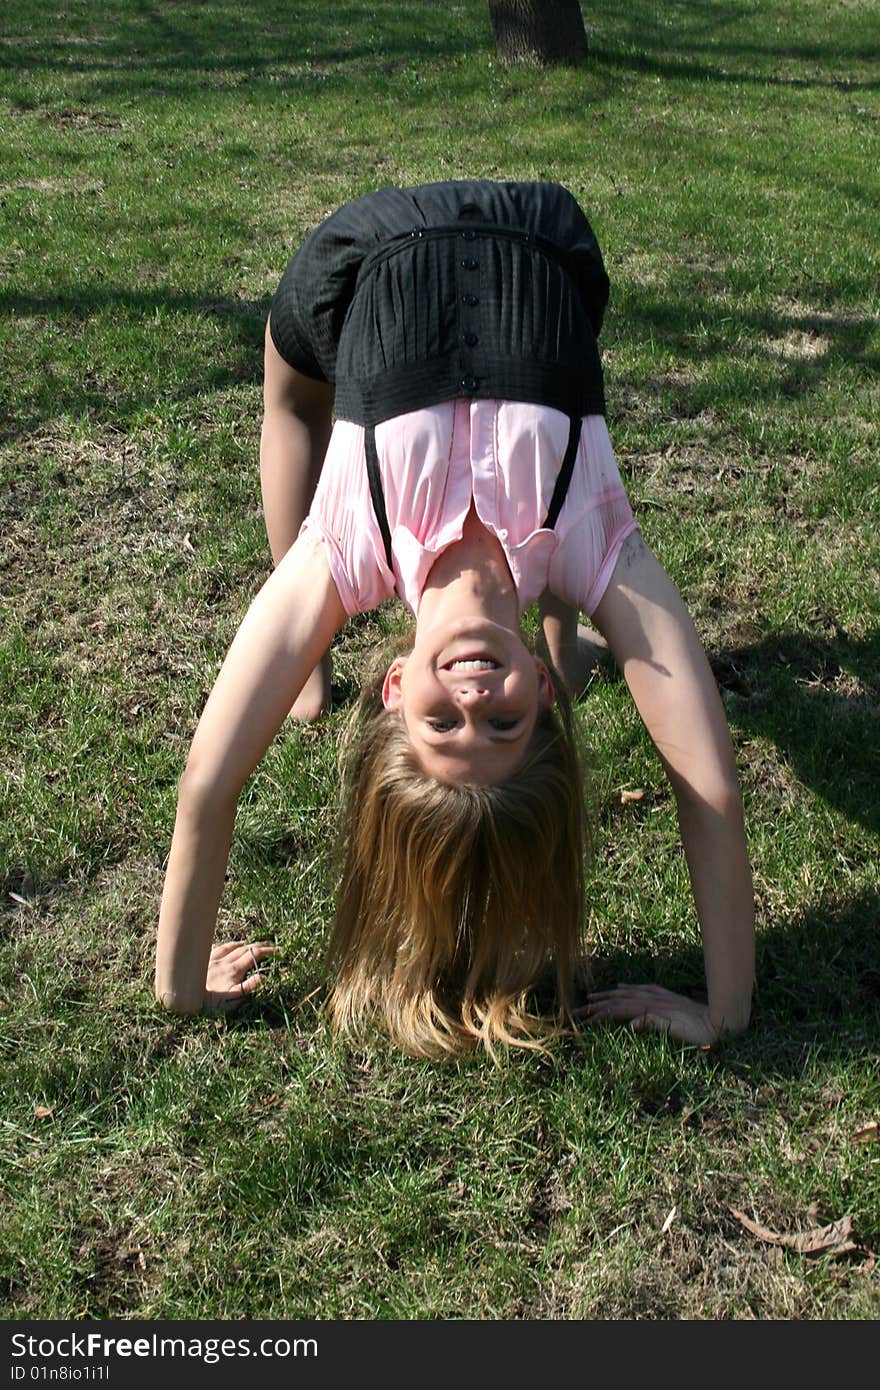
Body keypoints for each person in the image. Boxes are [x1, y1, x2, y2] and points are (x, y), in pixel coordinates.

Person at [155, 180, 754, 1057]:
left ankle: (307, 672)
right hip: (545, 244)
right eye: (503, 720)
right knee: (558, 580)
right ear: (537, 693)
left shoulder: (346, 549)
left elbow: (207, 785)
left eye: (442, 721)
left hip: (367, 253)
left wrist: (180, 986)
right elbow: (712, 790)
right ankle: (562, 642)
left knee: (291, 404)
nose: (472, 696)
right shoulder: (592, 542)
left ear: (395, 687)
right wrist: (726, 1010)